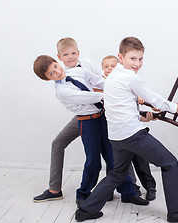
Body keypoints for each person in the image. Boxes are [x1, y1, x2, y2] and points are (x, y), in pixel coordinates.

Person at [74, 37, 178, 223]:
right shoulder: (130, 77)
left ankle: (85, 210)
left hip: (116, 136)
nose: (137, 64)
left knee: (117, 174)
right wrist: (175, 108)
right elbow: (154, 98)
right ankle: (176, 212)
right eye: (133, 59)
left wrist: (146, 115)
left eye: (140, 59)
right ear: (120, 57)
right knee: (170, 163)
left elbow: (123, 106)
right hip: (132, 134)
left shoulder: (113, 76)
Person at [33, 51, 148, 208]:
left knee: (114, 158)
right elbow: (88, 96)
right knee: (93, 161)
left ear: (57, 62)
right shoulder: (62, 91)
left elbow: (99, 81)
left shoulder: (77, 71)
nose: (57, 72)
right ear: (48, 78)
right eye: (52, 73)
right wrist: (110, 94)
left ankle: (127, 193)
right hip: (87, 123)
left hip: (102, 117)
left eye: (55, 66)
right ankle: (83, 193)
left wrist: (116, 87)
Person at [102, 55, 157, 201]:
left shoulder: (127, 80)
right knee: (115, 163)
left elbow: (133, 103)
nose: (109, 69)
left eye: (112, 66)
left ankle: (150, 186)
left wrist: (139, 102)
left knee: (141, 161)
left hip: (132, 130)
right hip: (116, 132)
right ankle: (120, 190)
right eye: (106, 67)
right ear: (102, 70)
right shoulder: (104, 85)